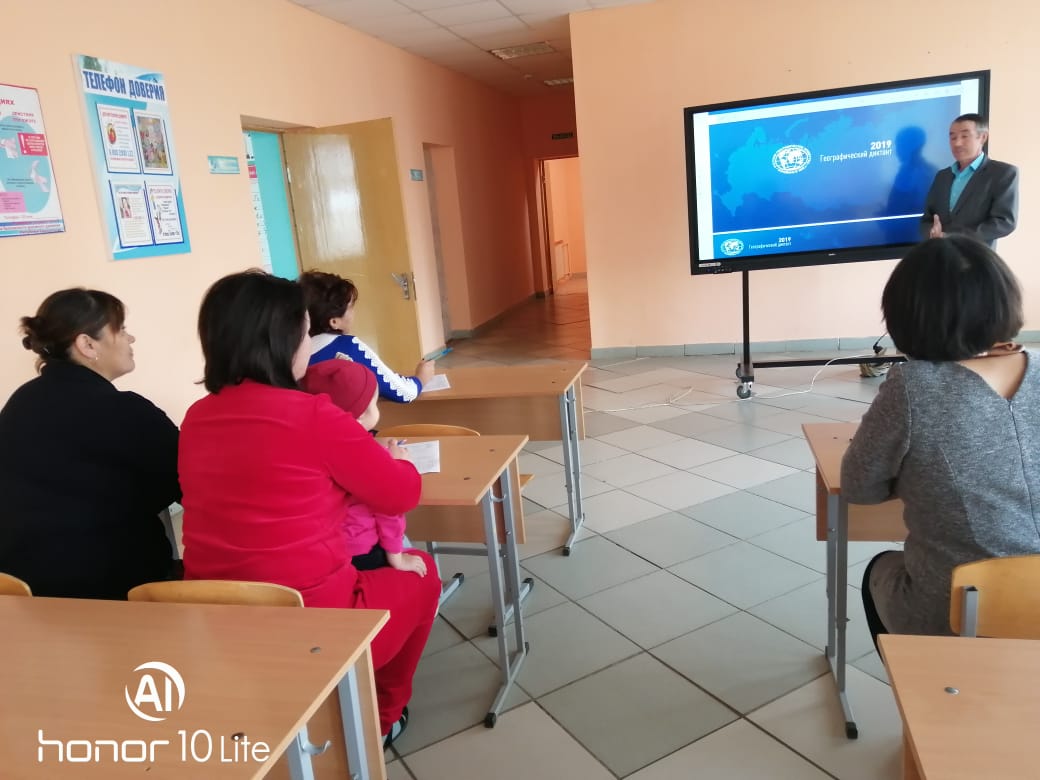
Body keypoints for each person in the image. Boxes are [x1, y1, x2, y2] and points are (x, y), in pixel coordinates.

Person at [178, 270, 440, 748]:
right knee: (423, 572)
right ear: (280, 341)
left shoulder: (197, 416)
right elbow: (400, 495)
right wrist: (398, 460)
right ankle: (383, 716)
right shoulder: (314, 416)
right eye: (303, 332)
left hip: (217, 614)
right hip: (311, 618)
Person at [842, 236, 1040, 641]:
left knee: (879, 569)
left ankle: (924, 675)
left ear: (905, 317)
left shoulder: (913, 387)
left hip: (962, 615)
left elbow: (859, 488)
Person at [0, 288, 180, 599]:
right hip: (115, 595)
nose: (131, 339)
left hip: (21, 593)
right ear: (87, 344)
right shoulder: (126, 411)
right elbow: (191, 485)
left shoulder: (19, 403)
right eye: (121, 330)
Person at [300, 359, 428, 576]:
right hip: (363, 553)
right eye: (374, 404)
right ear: (359, 417)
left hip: (323, 552)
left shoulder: (307, 446)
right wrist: (400, 463)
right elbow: (390, 508)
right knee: (418, 564)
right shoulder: (365, 456)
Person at [299, 270, 434, 402]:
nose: (354, 313)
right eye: (351, 307)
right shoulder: (348, 347)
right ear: (334, 322)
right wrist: (421, 378)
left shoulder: (294, 354)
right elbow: (404, 392)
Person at [919, 114, 1019, 248]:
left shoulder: (1002, 173)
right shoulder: (942, 176)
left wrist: (951, 237)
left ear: (983, 137)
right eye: (953, 137)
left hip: (976, 256)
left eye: (964, 136)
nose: (957, 143)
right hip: (941, 255)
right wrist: (932, 232)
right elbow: (927, 219)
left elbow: (1004, 222)